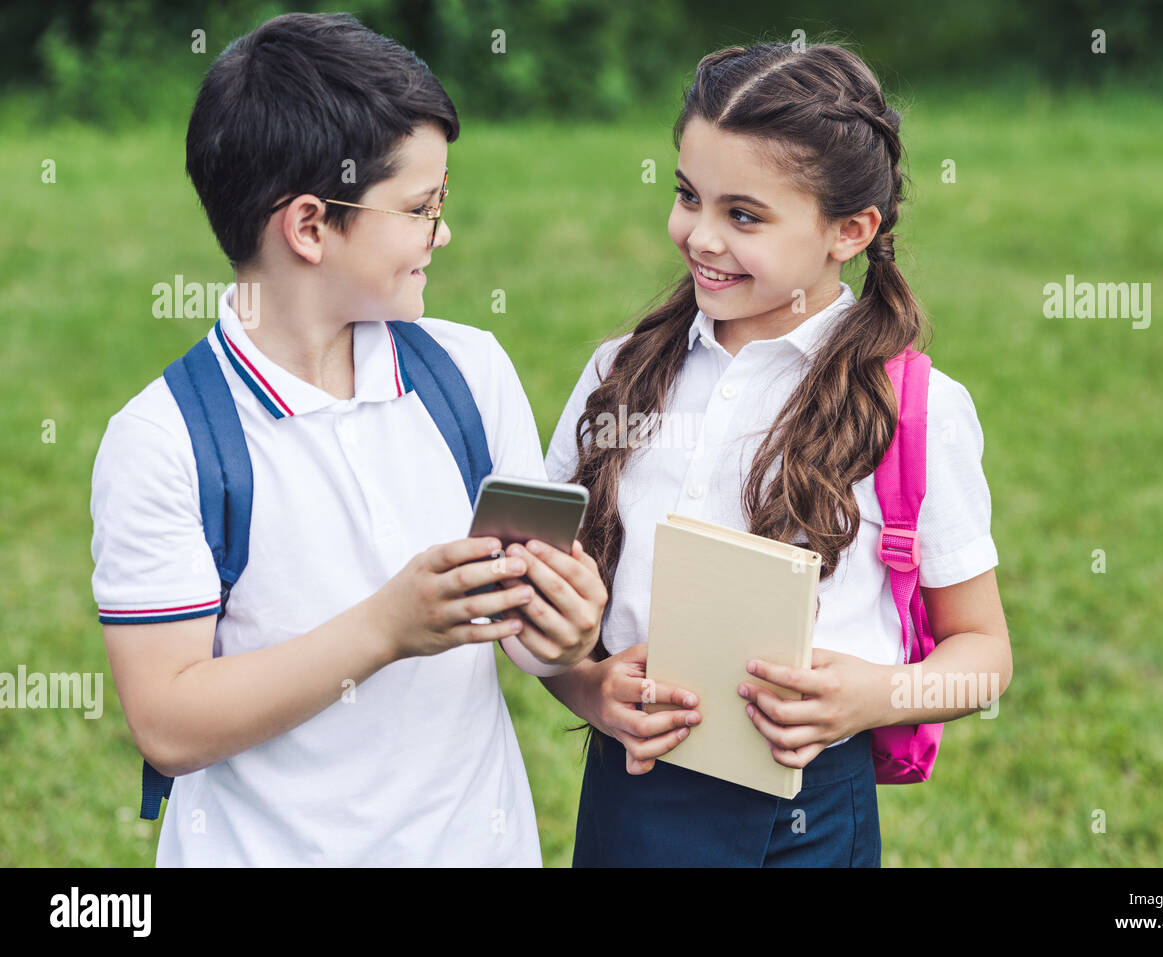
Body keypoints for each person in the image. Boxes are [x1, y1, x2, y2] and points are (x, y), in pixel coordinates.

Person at [89, 12, 606, 867]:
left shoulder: (468, 372)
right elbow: (169, 724)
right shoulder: (166, 440)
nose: (442, 231)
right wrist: (386, 627)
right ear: (308, 227)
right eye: (419, 207)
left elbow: (531, 636)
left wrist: (566, 628)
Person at [540, 41, 1012, 866]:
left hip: (814, 810)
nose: (701, 237)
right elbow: (546, 597)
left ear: (850, 231)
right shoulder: (620, 374)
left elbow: (985, 656)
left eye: (744, 215)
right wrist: (587, 686)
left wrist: (875, 696)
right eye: (689, 196)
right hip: (632, 791)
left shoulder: (915, 410)